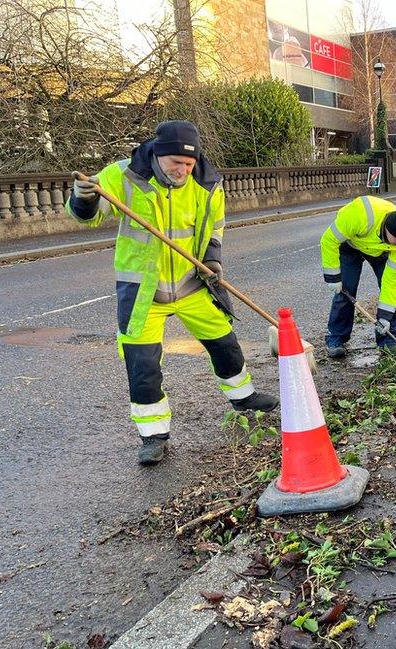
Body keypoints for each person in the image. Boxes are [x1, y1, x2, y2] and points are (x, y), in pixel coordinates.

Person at [66, 120, 278, 466]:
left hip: (191, 283)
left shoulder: (207, 184)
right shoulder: (124, 175)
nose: (182, 170)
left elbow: (216, 225)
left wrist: (211, 258)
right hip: (143, 292)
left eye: (189, 164)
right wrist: (83, 198)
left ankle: (243, 396)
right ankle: (153, 434)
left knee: (224, 342)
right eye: (175, 163)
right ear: (158, 154)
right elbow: (87, 216)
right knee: (143, 365)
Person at [320, 196, 396, 357]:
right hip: (350, 246)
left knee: (394, 294)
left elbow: (392, 283)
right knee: (346, 290)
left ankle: (387, 340)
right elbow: (328, 240)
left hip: (381, 252)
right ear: (388, 228)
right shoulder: (359, 214)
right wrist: (333, 277)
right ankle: (336, 338)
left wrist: (385, 316)